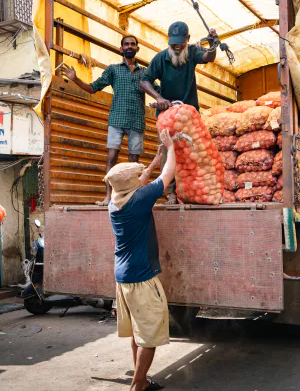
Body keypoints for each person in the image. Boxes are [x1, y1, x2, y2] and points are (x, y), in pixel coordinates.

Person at [105, 129, 175, 391]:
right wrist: (171, 148)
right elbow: (167, 177)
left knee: (138, 331)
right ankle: (138, 385)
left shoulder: (116, 201)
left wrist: (157, 156)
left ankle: (141, 378)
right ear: (133, 185)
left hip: (122, 278)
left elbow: (142, 179)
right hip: (142, 277)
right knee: (150, 335)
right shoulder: (140, 201)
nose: (141, 177)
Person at [59, 35, 159, 205]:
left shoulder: (145, 73)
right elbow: (92, 88)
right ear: (121, 49)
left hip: (137, 121)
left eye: (132, 44)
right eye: (126, 44)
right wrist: (75, 79)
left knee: (133, 162)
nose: (129, 46)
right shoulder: (113, 70)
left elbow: (157, 90)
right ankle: (108, 197)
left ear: (137, 49)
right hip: (116, 120)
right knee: (111, 157)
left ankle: (130, 197)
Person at [140, 21, 218, 204]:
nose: (176, 46)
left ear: (187, 39)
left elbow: (209, 57)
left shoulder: (192, 52)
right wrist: (158, 97)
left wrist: (214, 44)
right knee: (167, 151)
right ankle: (171, 194)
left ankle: (194, 192)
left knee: (193, 151)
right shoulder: (160, 58)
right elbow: (144, 81)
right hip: (167, 116)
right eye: (172, 43)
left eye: (180, 42)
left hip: (190, 114)